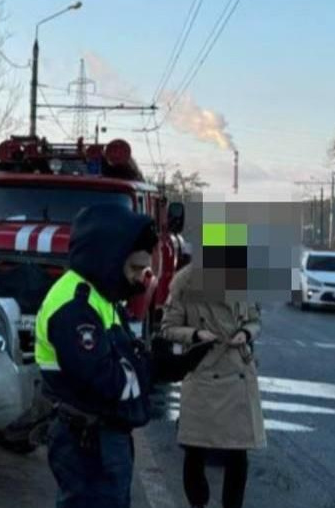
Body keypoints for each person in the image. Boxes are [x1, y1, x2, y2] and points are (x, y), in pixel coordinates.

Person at [35, 203, 158, 508]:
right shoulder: (75, 305)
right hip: (87, 442)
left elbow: (127, 359)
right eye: (132, 269)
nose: (137, 280)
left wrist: (165, 362)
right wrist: (144, 372)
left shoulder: (101, 296)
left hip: (99, 439)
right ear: (108, 259)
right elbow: (106, 380)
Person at [159, 255, 266, 508]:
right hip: (203, 372)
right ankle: (198, 503)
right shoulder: (184, 283)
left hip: (238, 372)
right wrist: (196, 334)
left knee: (238, 454)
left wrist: (245, 332)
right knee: (195, 449)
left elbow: (255, 320)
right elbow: (167, 327)